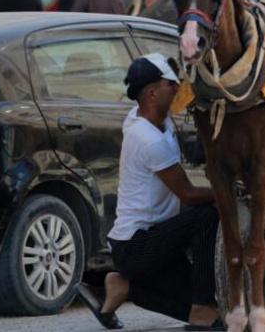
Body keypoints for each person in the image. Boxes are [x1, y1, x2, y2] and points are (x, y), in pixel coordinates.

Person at [79, 53, 223, 331]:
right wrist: (228, 192)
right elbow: (189, 194)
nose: (178, 88)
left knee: (217, 318)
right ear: (153, 93)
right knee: (206, 215)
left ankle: (123, 287)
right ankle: (199, 306)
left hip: (157, 240)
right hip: (138, 246)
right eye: (172, 84)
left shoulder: (154, 119)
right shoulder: (146, 139)